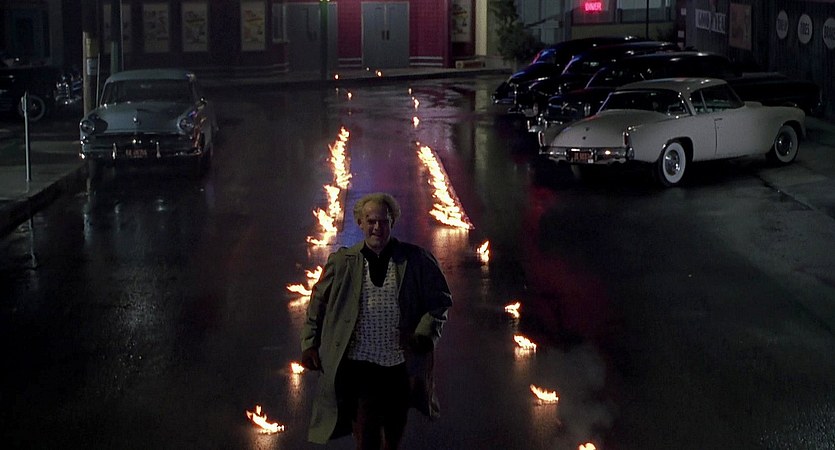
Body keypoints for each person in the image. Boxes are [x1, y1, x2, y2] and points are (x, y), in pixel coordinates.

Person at [300, 192, 452, 449]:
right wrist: (309, 344)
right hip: (360, 366)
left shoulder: (415, 260)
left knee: (393, 434)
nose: (377, 228)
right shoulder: (343, 262)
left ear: (392, 222)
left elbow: (440, 301)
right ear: (360, 223)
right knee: (367, 433)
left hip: (399, 366)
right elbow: (317, 304)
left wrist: (424, 335)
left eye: (383, 221)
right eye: (371, 221)